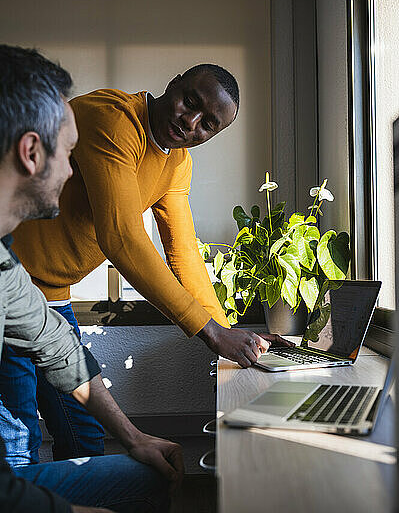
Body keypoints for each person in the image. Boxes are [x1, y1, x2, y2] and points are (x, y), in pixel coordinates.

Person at [9, 61, 293, 462]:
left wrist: (233, 336)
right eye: (189, 101)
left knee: (84, 439)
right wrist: (210, 333)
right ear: (173, 83)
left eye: (207, 124)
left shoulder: (177, 164)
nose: (190, 122)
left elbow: (183, 252)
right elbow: (121, 237)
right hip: (10, 286)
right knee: (17, 443)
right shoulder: (115, 120)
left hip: (52, 298)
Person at [0, 44, 184, 512]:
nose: (71, 169)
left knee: (144, 475)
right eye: (68, 153)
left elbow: (59, 347)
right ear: (30, 152)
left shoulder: (5, 263)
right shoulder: (114, 117)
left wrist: (135, 437)